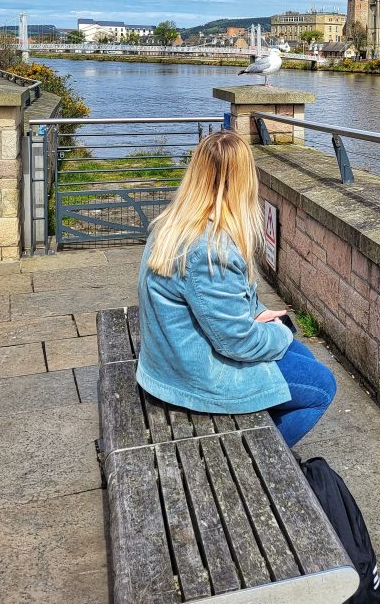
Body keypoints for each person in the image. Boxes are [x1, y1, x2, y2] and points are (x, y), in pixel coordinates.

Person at [136, 128, 336, 447]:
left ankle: (258, 432)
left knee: (305, 357)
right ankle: (258, 459)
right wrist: (283, 330)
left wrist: (258, 314)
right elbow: (237, 343)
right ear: (244, 180)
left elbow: (217, 302)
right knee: (323, 387)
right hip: (195, 375)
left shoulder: (174, 223)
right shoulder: (210, 249)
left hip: (172, 359)